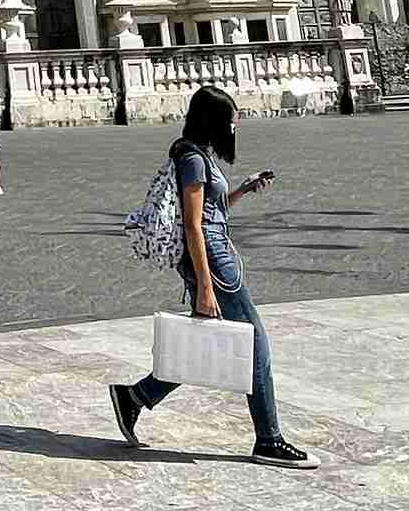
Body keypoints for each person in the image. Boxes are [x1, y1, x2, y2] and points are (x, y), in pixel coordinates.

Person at [109, 84, 317, 469]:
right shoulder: (191, 158)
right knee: (256, 347)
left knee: (211, 344)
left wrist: (242, 189)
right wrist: (205, 286)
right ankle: (269, 439)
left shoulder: (201, 155)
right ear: (215, 122)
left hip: (217, 256)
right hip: (214, 264)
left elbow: (211, 212)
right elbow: (193, 226)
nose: (235, 128)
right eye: (232, 121)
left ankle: (135, 397)